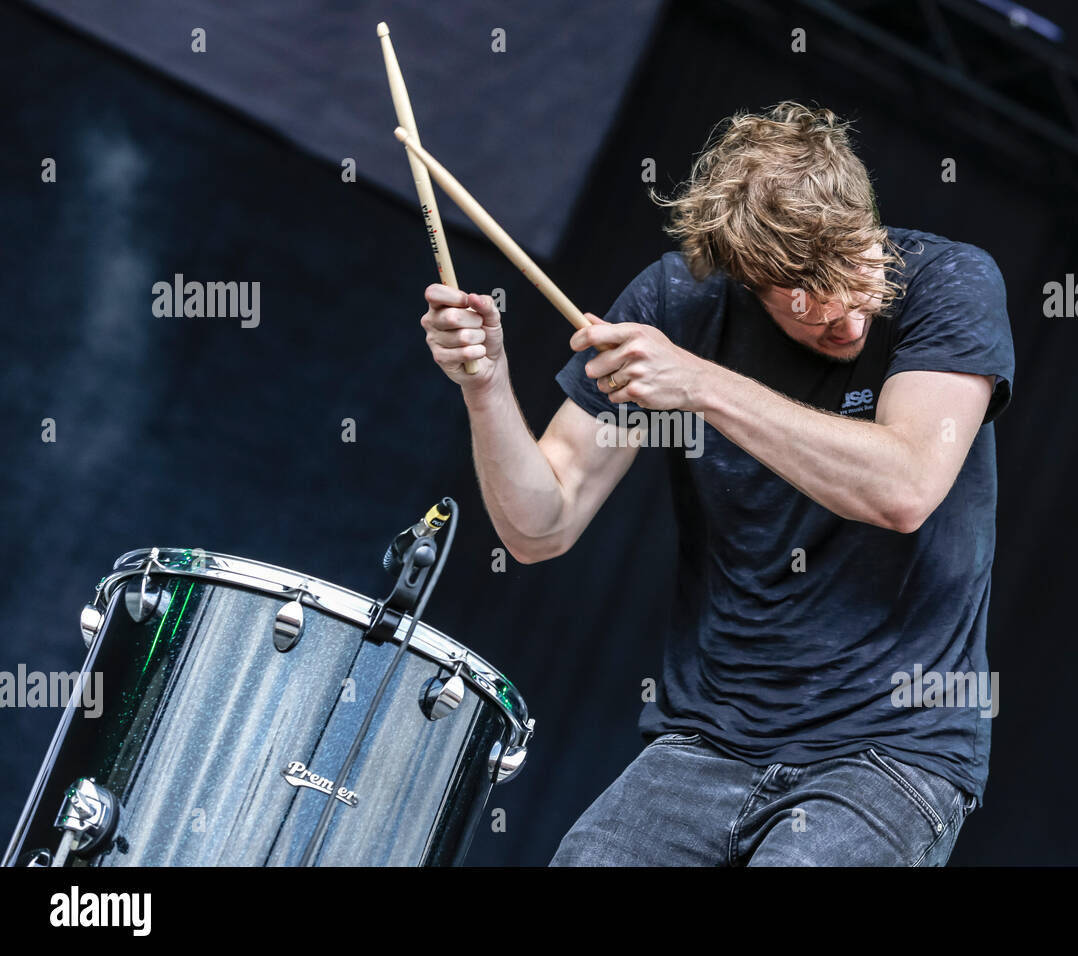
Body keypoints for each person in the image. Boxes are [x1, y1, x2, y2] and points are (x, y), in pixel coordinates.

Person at [420, 101, 1014, 866]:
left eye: (860, 273)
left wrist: (699, 384)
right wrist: (486, 387)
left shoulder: (948, 280)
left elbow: (902, 486)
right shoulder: (680, 304)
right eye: (811, 308)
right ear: (747, 282)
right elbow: (541, 527)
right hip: (706, 739)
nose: (850, 320)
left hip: (890, 749)